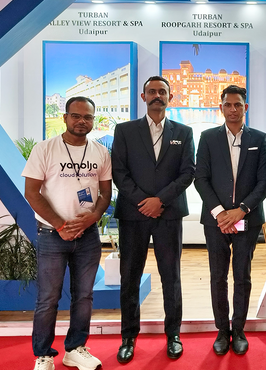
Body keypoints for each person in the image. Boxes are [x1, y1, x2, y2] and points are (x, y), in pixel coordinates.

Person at [22, 96, 112, 370]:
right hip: (52, 235)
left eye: (88, 117)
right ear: (65, 118)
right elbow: (32, 193)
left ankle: (75, 348)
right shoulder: (44, 149)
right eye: (76, 116)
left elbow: (105, 193)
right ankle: (43, 355)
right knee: (48, 299)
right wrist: (61, 226)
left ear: (93, 120)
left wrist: (94, 216)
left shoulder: (100, 152)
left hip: (88, 236)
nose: (82, 121)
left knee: (84, 296)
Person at [111, 76, 195, 363]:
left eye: (162, 92)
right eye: (152, 91)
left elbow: (188, 172)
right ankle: (128, 337)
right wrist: (143, 202)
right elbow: (119, 172)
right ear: (143, 96)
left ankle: (173, 334)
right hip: (133, 214)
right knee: (129, 277)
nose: (157, 95)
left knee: (171, 276)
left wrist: (160, 200)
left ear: (170, 97)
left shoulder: (183, 132)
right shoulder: (124, 130)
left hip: (168, 214)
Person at [194, 85, 266, 355]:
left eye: (238, 104)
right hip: (216, 220)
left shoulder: (259, 138)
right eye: (228, 104)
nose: (233, 109)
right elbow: (200, 178)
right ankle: (222, 330)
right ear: (221, 107)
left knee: (242, 276)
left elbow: (265, 181)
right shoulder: (208, 138)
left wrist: (242, 210)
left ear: (245, 107)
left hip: (246, 219)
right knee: (218, 276)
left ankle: (238, 329)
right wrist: (220, 212)